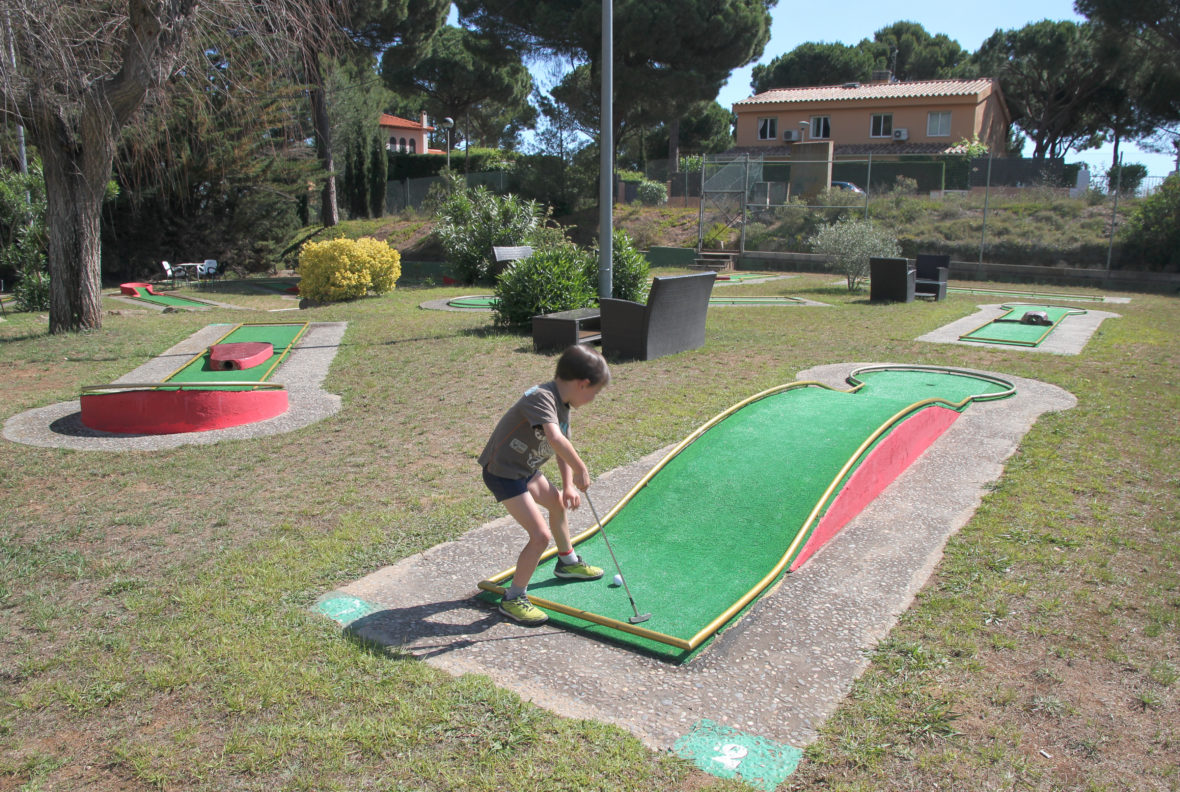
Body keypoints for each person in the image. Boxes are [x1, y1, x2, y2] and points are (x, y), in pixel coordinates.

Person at [478, 345, 611, 625]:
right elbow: (554, 438)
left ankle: (567, 563)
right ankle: (513, 598)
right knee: (540, 536)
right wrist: (581, 469)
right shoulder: (540, 397)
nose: (593, 399)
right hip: (503, 472)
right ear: (582, 384)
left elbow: (563, 445)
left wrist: (568, 486)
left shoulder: (563, 405)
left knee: (558, 503)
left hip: (525, 469)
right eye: (594, 393)